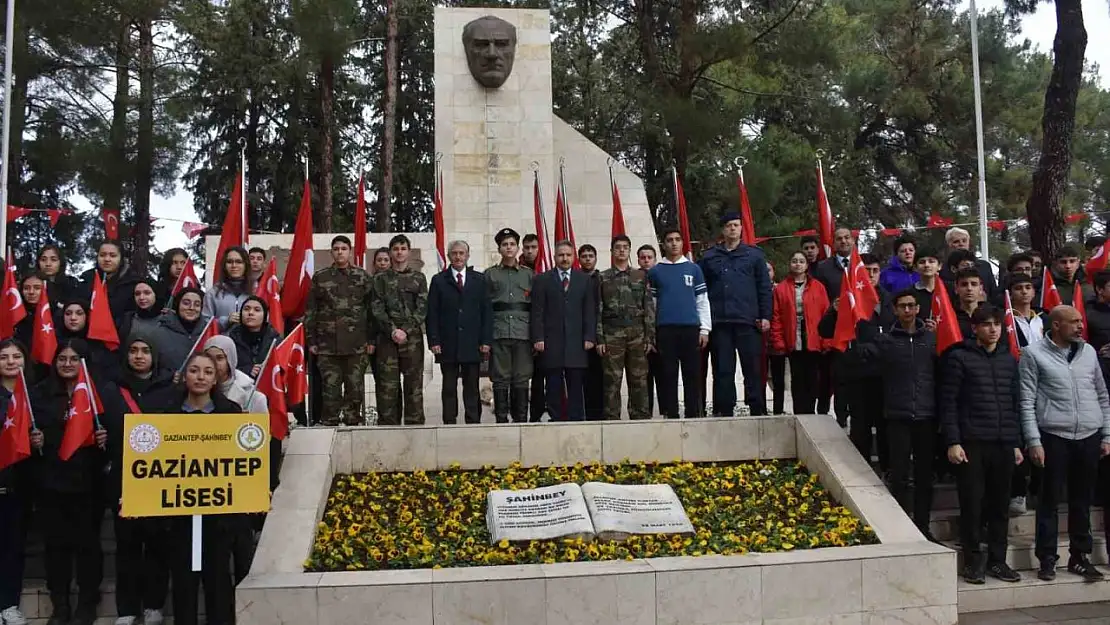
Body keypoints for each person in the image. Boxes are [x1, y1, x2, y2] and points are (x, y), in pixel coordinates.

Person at [139, 352, 240, 625]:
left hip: (218, 518)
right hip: (179, 519)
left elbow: (241, 463)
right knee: (183, 585)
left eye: (207, 371)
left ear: (216, 377)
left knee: (218, 582)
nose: (200, 376)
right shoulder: (166, 415)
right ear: (185, 376)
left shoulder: (231, 413)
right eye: (194, 370)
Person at [1019, 305, 1110, 582]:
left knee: (1082, 501)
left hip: (1089, 435)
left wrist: (1106, 434)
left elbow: (1102, 395)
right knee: (1048, 501)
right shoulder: (1033, 354)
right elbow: (1026, 401)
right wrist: (1033, 440)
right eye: (1074, 322)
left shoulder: (1089, 352)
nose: (1081, 326)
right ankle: (1047, 558)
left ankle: (1079, 557)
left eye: (1081, 321)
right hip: (1052, 436)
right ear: (1056, 325)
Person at [30, 340, 114, 625]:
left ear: (83, 362)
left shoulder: (95, 393)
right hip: (51, 483)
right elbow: (27, 430)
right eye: (62, 359)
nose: (67, 364)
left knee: (88, 546)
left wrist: (105, 440)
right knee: (56, 547)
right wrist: (35, 440)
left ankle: (88, 602)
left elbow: (114, 431)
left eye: (74, 358)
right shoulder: (40, 394)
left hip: (88, 484)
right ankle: (61, 604)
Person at [939, 305, 1024, 584]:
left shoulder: (1009, 360)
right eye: (986, 324)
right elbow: (949, 403)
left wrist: (1015, 443)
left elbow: (1014, 404)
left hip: (1003, 443)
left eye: (997, 324)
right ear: (974, 328)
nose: (993, 329)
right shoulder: (959, 358)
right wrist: (953, 441)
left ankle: (998, 561)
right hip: (972, 443)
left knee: (1000, 506)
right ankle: (973, 562)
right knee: (972, 505)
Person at [859, 289, 938, 539]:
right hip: (897, 416)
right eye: (902, 306)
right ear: (894, 310)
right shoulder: (886, 340)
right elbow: (860, 357)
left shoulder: (931, 339)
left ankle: (924, 526)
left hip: (926, 416)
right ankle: (903, 528)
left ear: (917, 309)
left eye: (911, 306)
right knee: (900, 475)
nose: (907, 310)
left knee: (925, 477)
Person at [108, 334, 173, 625]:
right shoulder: (112, 390)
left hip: (159, 481)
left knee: (158, 547)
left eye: (145, 350)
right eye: (133, 350)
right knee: (127, 549)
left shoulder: (170, 389)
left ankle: (154, 605)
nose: (138, 356)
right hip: (123, 482)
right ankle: (126, 609)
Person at [819, 253, 894, 470]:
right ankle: (862, 470)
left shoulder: (888, 300)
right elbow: (824, 330)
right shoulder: (846, 299)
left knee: (883, 425)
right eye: (865, 271)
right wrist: (834, 311)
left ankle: (887, 469)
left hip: (882, 374)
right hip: (854, 373)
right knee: (859, 426)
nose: (870, 275)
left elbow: (894, 331)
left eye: (874, 271)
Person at [700, 212, 773, 416]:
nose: (733, 229)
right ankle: (724, 409)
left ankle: (757, 407)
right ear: (723, 230)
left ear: (742, 228)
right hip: (720, 322)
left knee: (753, 368)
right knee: (723, 369)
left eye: (736, 225)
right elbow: (701, 290)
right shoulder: (709, 257)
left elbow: (764, 287)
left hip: (748, 321)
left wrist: (766, 315)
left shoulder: (754, 255)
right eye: (729, 225)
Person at [306, 236, 373, 426]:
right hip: (328, 346)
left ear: (350, 251)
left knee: (355, 388)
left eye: (344, 248)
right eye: (336, 249)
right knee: (330, 389)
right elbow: (311, 311)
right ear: (331, 252)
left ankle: (353, 422)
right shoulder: (321, 277)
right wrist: (312, 341)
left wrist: (371, 340)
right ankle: (330, 422)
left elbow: (371, 311)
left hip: (356, 344)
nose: (340, 252)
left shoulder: (362, 277)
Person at [530, 240, 596, 421]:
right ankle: (556, 418)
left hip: (577, 343)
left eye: (568, 255)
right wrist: (538, 337)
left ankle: (576, 419)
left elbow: (590, 311)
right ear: (554, 257)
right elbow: (537, 312)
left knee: (576, 385)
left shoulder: (584, 280)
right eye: (561, 255)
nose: (564, 258)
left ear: (573, 257)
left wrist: (590, 336)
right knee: (553, 385)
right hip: (551, 342)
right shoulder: (542, 280)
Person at [427, 240, 492, 424]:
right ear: (448, 256)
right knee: (448, 387)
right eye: (454, 253)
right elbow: (432, 313)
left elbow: (487, 312)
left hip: (472, 344)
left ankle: (473, 422)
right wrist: (434, 340)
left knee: (471, 386)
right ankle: (449, 422)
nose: (458, 256)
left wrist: (486, 340)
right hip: (447, 344)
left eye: (461, 253)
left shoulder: (479, 280)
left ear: (467, 255)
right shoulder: (439, 281)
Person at [649, 228, 711, 419]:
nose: (673, 243)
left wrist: (705, 329)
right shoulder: (656, 271)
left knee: (692, 374)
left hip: (691, 329)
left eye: (677, 239)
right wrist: (652, 333)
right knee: (668, 373)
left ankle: (693, 414)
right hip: (665, 330)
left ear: (683, 243)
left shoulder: (694, 269)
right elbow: (652, 305)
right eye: (669, 240)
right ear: (663, 244)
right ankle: (671, 414)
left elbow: (702, 300)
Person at [371, 235, 428, 425]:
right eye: (395, 249)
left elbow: (422, 308)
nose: (399, 252)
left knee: (414, 386)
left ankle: (415, 428)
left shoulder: (418, 278)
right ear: (391, 252)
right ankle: (388, 428)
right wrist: (392, 330)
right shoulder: (380, 279)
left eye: (403, 248)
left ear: (409, 252)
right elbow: (377, 308)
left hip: (412, 341)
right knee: (388, 388)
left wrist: (405, 330)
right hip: (387, 341)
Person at [597, 235, 655, 420]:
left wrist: (649, 337)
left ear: (630, 251)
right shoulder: (603, 277)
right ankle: (611, 418)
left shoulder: (640, 276)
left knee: (639, 379)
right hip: (612, 334)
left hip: (637, 335)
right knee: (612, 380)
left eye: (625, 247)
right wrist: (599, 338)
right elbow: (597, 309)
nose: (621, 250)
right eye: (618, 247)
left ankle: (640, 417)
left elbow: (648, 308)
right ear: (612, 251)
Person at [770, 251, 829, 415]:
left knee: (812, 379)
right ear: (790, 264)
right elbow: (776, 317)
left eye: (801, 261)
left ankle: (811, 412)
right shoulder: (780, 289)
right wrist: (778, 341)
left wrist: (826, 341)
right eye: (794, 261)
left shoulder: (818, 287)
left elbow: (826, 314)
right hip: (793, 338)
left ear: (807, 265)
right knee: (797, 380)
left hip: (814, 339)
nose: (798, 264)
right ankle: (799, 414)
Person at [1007, 274, 1046, 517]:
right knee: (1019, 438)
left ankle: (1039, 489)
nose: (1024, 292)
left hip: (1045, 384)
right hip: (1016, 381)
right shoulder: (1005, 320)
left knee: (1042, 437)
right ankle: (1018, 492)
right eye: (1018, 288)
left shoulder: (1044, 319)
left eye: (1028, 287)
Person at [485, 229, 534, 423]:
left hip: (523, 333)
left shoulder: (528, 275)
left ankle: (521, 419)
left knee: (522, 377)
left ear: (518, 248)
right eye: (505, 244)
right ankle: (501, 419)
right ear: (499, 248)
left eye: (512, 244)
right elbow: (484, 307)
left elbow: (535, 306)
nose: (509, 248)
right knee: (500, 377)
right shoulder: (490, 275)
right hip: (499, 332)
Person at [0, 340, 32, 625]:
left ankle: (10, 604)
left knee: (14, 548)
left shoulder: (33, 395)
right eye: (4, 357)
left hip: (21, 486)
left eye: (16, 356)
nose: (10, 362)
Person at [812, 227, 856, 423]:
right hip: (834, 331)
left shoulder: (861, 265)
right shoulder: (823, 268)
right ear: (833, 243)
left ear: (853, 241)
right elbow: (817, 301)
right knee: (834, 380)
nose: (844, 241)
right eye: (839, 239)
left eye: (847, 238)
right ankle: (837, 420)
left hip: (860, 332)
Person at [519, 233, 547, 420]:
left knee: (539, 376)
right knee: (520, 377)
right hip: (520, 330)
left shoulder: (546, 269)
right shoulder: (516, 269)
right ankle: (519, 414)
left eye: (533, 247)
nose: (530, 251)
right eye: (527, 247)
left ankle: (536, 415)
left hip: (542, 332)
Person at [79, 240, 141, 323]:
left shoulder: (134, 283)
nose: (107, 259)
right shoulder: (86, 280)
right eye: (102, 255)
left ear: (121, 258)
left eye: (113, 255)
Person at [578, 244, 604, 420]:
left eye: (590, 255)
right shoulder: (574, 279)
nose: (587, 258)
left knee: (600, 377)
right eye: (584, 256)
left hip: (600, 335)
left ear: (595, 258)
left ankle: (599, 415)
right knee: (581, 378)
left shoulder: (603, 279)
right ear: (578, 259)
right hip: (579, 336)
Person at [154, 288, 209, 372]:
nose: (191, 308)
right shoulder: (159, 333)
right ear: (177, 305)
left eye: (197, 305)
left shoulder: (207, 332)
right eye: (186, 303)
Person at [227, 296, 281, 377]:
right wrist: (247, 370)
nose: (251, 313)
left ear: (265, 316)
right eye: (246, 309)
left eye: (257, 310)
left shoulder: (275, 340)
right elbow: (225, 369)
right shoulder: (232, 338)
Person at [203, 246, 252, 330]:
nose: (234, 265)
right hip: (222, 341)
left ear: (246, 265)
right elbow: (204, 323)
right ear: (224, 266)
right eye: (229, 262)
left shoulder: (255, 292)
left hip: (249, 342)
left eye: (239, 262)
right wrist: (225, 321)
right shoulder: (213, 293)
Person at [637, 244, 661, 415]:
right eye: (643, 258)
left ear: (655, 259)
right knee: (643, 379)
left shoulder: (661, 276)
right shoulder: (634, 278)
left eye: (649, 257)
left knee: (663, 375)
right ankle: (645, 413)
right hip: (640, 337)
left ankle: (667, 411)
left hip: (661, 334)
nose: (646, 261)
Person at [940, 227, 998, 297]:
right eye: (956, 241)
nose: (961, 244)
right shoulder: (942, 269)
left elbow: (994, 293)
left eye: (964, 241)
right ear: (949, 244)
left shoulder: (985, 266)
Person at [116, 279, 163, 345]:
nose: (141, 297)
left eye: (147, 293)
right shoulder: (127, 319)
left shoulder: (167, 319)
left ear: (155, 294)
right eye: (137, 294)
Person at [37, 244, 78, 313]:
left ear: (61, 262)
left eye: (53, 260)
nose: (48, 264)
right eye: (43, 260)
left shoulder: (71, 285)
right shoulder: (32, 285)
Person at [953, 268, 984, 339]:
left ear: (981, 289)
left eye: (974, 284)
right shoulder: (950, 316)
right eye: (964, 285)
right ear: (956, 288)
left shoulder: (991, 315)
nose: (969, 288)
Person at [912, 249, 942, 320]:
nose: (926, 265)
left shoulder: (950, 290)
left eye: (931, 261)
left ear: (939, 266)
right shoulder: (910, 293)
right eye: (922, 262)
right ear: (915, 267)